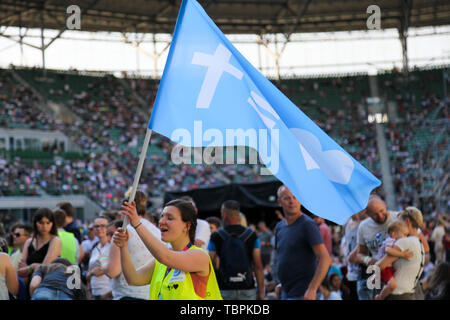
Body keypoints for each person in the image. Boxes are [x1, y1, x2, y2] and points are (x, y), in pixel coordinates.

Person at [113, 199, 222, 300]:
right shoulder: (160, 262)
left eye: (169, 218)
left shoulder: (199, 256)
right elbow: (133, 279)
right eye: (162, 216)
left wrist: (137, 224)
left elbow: (165, 257)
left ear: (187, 226)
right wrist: (123, 246)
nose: (162, 222)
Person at [274, 185, 331, 300]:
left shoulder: (307, 225)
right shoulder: (279, 227)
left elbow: (325, 258)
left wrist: (312, 288)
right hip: (286, 292)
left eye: (295, 197)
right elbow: (284, 257)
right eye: (287, 198)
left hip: (303, 293)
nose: (292, 201)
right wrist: (282, 283)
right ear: (279, 202)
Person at [103, 193, 162, 300]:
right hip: (150, 294)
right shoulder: (157, 232)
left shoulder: (122, 233)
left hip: (127, 294)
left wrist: (102, 261)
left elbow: (112, 271)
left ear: (124, 210)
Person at [208, 200, 265, 300]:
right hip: (247, 288)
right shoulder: (252, 235)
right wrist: (261, 292)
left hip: (224, 288)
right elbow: (258, 266)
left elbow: (209, 263)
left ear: (224, 214)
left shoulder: (216, 235)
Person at [349, 195, 397, 300]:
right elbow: (360, 254)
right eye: (375, 214)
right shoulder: (363, 227)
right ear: (367, 213)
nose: (380, 216)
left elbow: (423, 246)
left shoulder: (398, 218)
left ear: (385, 205)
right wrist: (368, 259)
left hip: (399, 273)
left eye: (381, 211)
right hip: (379, 276)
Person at [376, 207, 426, 300]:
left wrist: (369, 260)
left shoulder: (404, 242)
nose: (397, 225)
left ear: (407, 221)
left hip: (396, 293)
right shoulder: (419, 243)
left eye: (399, 222)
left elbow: (380, 266)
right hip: (409, 292)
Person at [18, 208, 62, 283]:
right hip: (28, 284)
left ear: (52, 224)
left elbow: (45, 267)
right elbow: (21, 269)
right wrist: (33, 267)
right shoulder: (29, 242)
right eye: (41, 223)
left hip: (47, 285)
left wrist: (31, 267)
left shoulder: (55, 240)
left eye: (48, 223)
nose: (44, 226)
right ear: (35, 223)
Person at [375, 220, 414, 300]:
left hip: (388, 267)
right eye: (404, 234)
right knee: (392, 285)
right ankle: (380, 297)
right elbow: (388, 250)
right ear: (394, 234)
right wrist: (402, 254)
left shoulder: (395, 241)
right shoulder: (391, 241)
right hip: (384, 268)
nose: (406, 237)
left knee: (390, 284)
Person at [341, 210, 366, 300]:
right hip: (351, 272)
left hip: (362, 271)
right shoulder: (347, 223)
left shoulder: (363, 223)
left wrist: (353, 255)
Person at [86, 216, 112, 300]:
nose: (99, 228)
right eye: (96, 226)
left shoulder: (112, 247)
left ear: (109, 228)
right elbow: (89, 273)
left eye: (103, 226)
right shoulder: (95, 248)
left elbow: (103, 270)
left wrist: (92, 273)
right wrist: (89, 291)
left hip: (107, 293)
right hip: (94, 293)